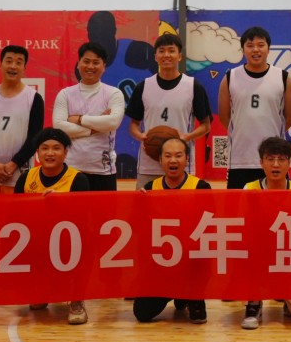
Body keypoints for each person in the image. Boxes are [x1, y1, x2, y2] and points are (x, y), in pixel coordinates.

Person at [14, 128, 93, 325]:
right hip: (37, 237)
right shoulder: (26, 178)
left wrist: (61, 204)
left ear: (65, 152)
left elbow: (83, 218)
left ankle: (76, 300)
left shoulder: (78, 179)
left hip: (68, 240)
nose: (50, 153)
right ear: (37, 153)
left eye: (56, 148)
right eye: (45, 148)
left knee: (83, 243)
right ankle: (43, 290)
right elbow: (16, 214)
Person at [134, 137, 211, 324]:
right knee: (142, 313)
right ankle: (175, 292)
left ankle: (190, 294)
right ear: (160, 160)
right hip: (162, 261)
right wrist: (139, 203)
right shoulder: (150, 189)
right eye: (168, 156)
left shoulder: (201, 187)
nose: (173, 160)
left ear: (187, 159)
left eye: (178, 155)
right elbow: (142, 230)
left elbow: (208, 229)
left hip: (191, 260)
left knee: (199, 319)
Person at [128, 32, 212, 188]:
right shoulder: (143, 86)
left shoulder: (193, 86)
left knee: (183, 204)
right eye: (161, 51)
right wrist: (142, 136)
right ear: (155, 56)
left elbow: (206, 125)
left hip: (180, 163)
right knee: (145, 203)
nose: (166, 55)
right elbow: (134, 124)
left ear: (179, 56)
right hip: (149, 163)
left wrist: (187, 137)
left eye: (171, 51)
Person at [241, 137, 291, 329]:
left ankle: (285, 294)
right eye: (270, 159)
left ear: (290, 162)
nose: (276, 164)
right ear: (261, 162)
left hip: (289, 253)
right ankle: (254, 303)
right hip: (259, 251)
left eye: (281, 159)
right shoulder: (249, 189)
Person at [217, 25, 291, 188]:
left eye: (261, 45)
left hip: (273, 159)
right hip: (240, 159)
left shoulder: (283, 77)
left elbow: (289, 118)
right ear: (243, 49)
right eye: (250, 45)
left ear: (268, 48)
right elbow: (225, 118)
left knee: (276, 203)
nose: (255, 50)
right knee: (239, 204)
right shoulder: (230, 77)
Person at [53, 41, 125, 191]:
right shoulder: (65, 94)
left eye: (96, 62)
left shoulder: (114, 93)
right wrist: (95, 128)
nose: (90, 66)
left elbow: (113, 122)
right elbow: (59, 128)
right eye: (86, 61)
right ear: (78, 64)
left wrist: (79, 119)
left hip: (104, 171)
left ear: (104, 66)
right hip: (70, 170)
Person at [0, 44, 45, 195]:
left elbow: (34, 138)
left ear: (24, 68)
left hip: (20, 176)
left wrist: (13, 165)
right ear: (0, 65)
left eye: (19, 62)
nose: (13, 66)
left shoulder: (34, 99)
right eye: (9, 61)